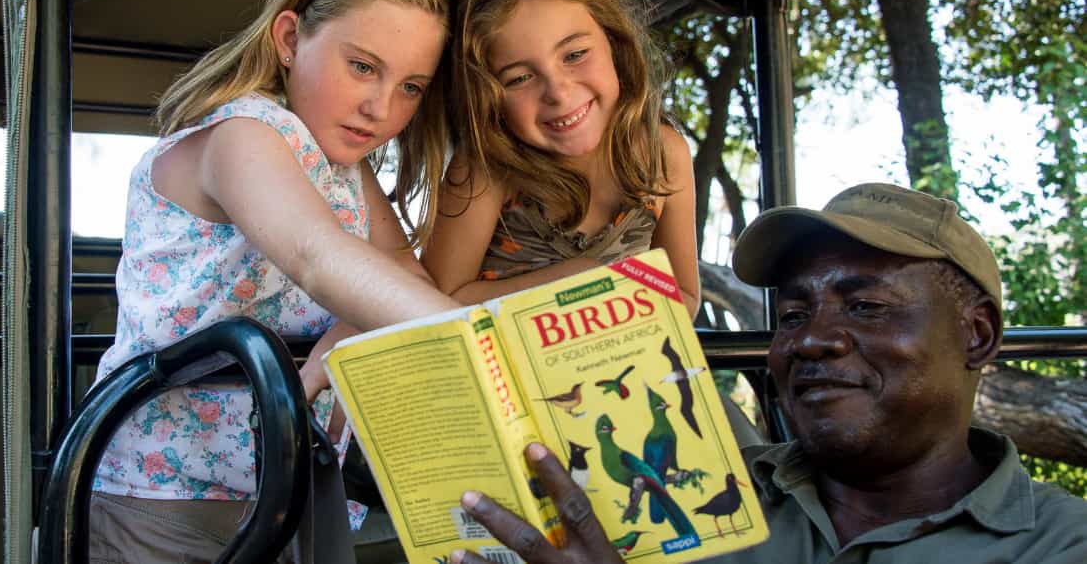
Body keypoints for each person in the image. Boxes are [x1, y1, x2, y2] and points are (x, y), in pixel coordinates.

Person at [450, 182, 1087, 564]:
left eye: (865, 306)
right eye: (791, 313)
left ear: (976, 336)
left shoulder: (1057, 546)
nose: (811, 339)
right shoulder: (695, 502)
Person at [88, 0, 464, 563]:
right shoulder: (244, 135)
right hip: (165, 487)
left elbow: (398, 262)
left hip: (282, 477)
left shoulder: (346, 165)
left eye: (411, 87)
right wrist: (478, 337)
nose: (380, 106)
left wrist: (351, 326)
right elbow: (315, 255)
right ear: (290, 39)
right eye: (363, 66)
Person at [420, 0, 701, 320]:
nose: (558, 91)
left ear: (614, 43)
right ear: (486, 94)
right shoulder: (484, 171)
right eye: (519, 78)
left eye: (575, 54)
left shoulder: (664, 154)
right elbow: (431, 305)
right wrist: (576, 279)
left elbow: (684, 296)